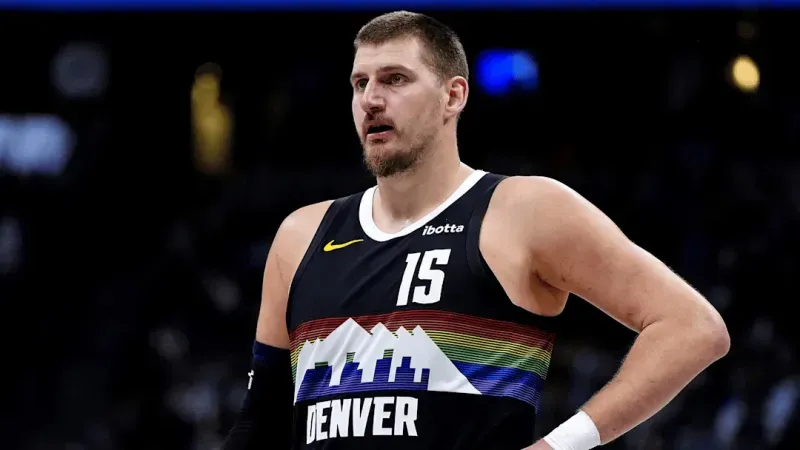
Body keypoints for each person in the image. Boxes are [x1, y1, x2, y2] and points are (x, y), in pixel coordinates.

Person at [222, 11, 730, 450]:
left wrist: (560, 445)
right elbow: (259, 420)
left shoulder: (522, 210)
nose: (371, 99)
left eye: (395, 79)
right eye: (360, 84)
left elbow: (693, 327)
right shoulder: (301, 234)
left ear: (453, 95)